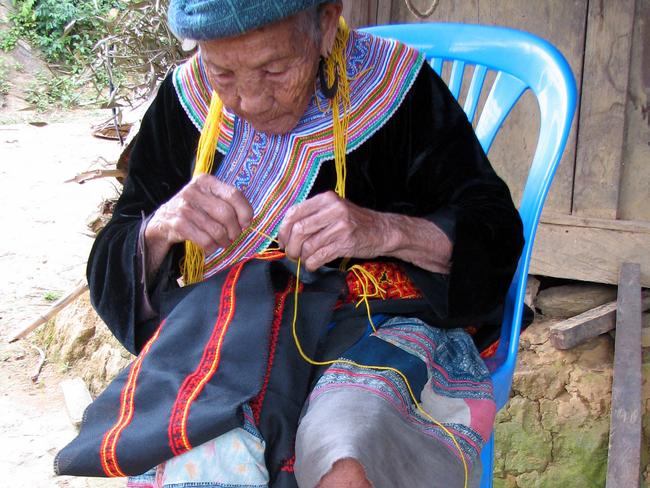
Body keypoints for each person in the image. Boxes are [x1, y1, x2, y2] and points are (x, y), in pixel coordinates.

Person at [56, 1, 524, 487]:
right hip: (228, 334)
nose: (251, 99)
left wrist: (385, 230)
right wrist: (159, 228)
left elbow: (493, 232)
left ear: (325, 24)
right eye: (223, 73)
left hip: (381, 323)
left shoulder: (394, 86)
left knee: (350, 449)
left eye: (275, 69)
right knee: (202, 454)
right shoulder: (185, 100)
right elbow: (115, 254)